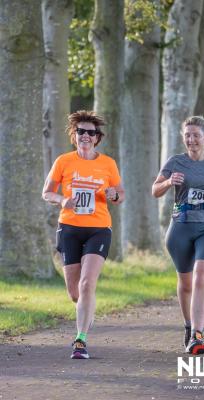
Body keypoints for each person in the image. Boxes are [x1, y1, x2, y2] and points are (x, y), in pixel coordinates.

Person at [42, 110, 125, 359]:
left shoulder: (108, 163)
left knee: (88, 283)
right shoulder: (63, 161)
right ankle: (86, 313)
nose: (86, 136)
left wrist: (114, 195)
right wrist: (63, 200)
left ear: (97, 138)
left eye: (91, 133)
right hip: (69, 228)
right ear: (74, 135)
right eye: (81, 132)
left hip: (99, 228)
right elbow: (47, 192)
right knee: (75, 292)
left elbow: (120, 194)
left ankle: (80, 340)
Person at [152, 116, 204, 354]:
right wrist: (169, 182)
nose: (191, 140)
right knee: (186, 282)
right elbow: (154, 190)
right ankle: (189, 327)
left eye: (196, 135)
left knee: (202, 275)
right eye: (187, 135)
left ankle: (198, 336)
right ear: (183, 138)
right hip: (181, 228)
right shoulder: (175, 162)